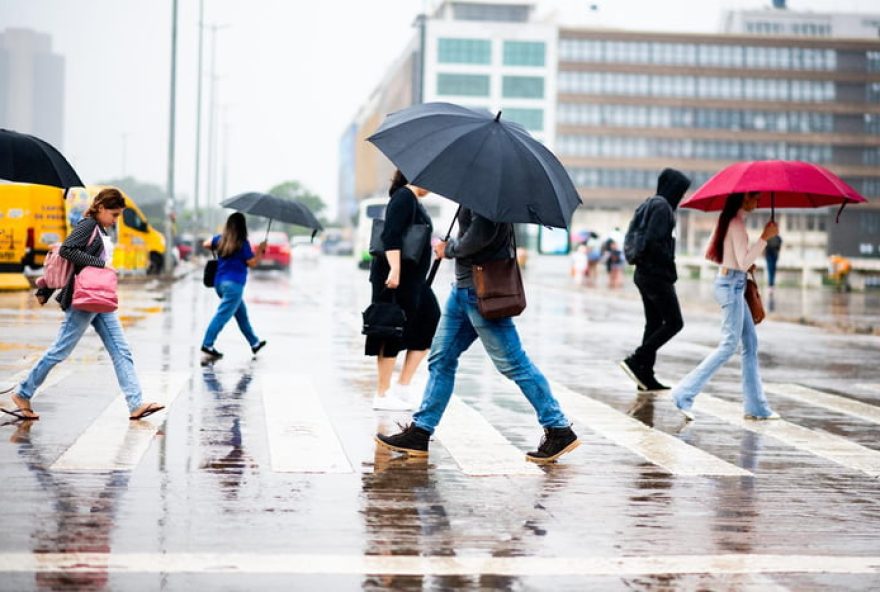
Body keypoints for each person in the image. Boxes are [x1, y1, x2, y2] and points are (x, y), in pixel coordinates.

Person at [375, 208, 579, 464]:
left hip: (482, 294)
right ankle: (421, 431)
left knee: (514, 363)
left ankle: (558, 428)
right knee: (440, 359)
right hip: (462, 292)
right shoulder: (474, 195)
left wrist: (447, 249)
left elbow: (478, 238)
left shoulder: (489, 201)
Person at [2, 188, 164, 421]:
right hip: (83, 298)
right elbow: (67, 250)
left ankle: (135, 403)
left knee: (121, 350)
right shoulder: (87, 225)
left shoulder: (100, 228)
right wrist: (99, 263)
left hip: (99, 298)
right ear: (100, 208)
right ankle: (23, 392)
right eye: (114, 214)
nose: (116, 220)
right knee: (60, 351)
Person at [672, 192, 780, 422]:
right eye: (755, 197)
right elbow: (742, 261)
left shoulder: (730, 221)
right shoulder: (736, 224)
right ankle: (684, 393)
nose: (759, 201)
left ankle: (756, 407)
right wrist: (764, 237)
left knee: (750, 344)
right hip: (731, 286)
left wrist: (750, 260)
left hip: (733, 283)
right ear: (744, 199)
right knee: (729, 345)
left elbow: (738, 261)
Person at [367, 170, 441, 410]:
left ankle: (403, 385)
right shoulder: (403, 197)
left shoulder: (413, 201)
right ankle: (382, 392)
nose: (431, 186)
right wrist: (395, 270)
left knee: (429, 319)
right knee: (391, 329)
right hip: (396, 278)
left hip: (414, 281)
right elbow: (391, 235)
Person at [620, 168, 691, 392]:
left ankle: (644, 374)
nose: (681, 196)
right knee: (674, 322)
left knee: (653, 323)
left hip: (643, 273)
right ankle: (636, 359)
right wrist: (669, 268)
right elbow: (654, 241)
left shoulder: (649, 203)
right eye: (680, 191)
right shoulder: (662, 207)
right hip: (655, 274)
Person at [200, 213, 268, 362]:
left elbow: (205, 243)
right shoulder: (242, 243)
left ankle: (254, 343)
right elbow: (252, 263)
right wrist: (260, 251)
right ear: (242, 226)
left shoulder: (220, 240)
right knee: (222, 316)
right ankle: (207, 344)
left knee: (241, 315)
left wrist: (217, 246)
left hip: (219, 284)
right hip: (234, 286)